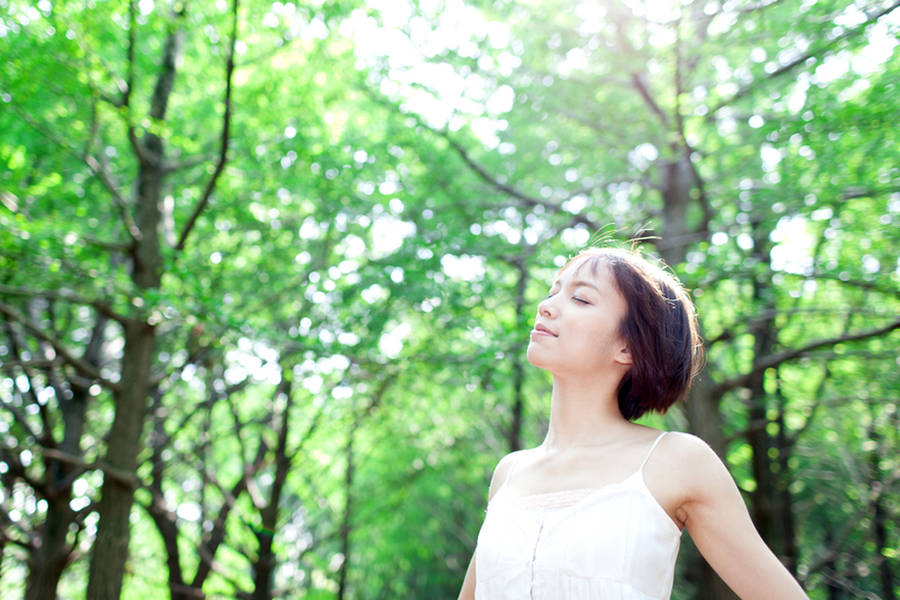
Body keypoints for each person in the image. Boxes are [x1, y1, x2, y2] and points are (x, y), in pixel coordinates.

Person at [457, 246, 808, 600]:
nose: (546, 306)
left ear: (627, 347)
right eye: (553, 292)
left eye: (581, 299)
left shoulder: (677, 460)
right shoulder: (509, 474)